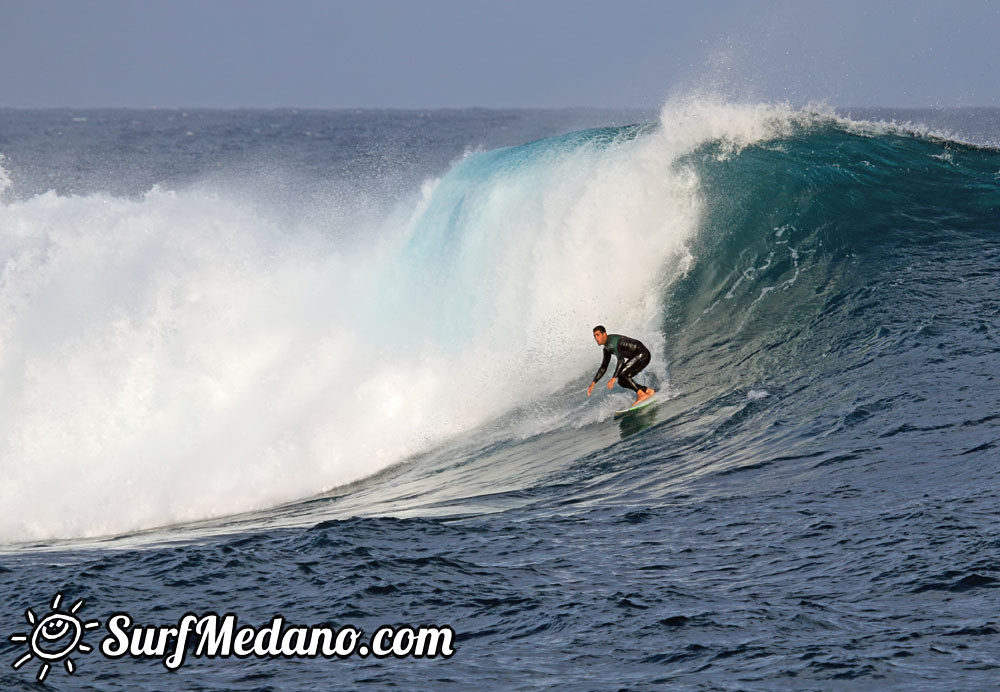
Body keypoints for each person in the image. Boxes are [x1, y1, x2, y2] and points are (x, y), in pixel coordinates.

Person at [586, 325, 655, 406]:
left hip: (642, 354)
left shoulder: (613, 342)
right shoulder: (606, 348)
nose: (596, 338)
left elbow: (621, 360)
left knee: (622, 374)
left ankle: (641, 395)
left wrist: (613, 378)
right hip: (638, 356)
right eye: (594, 336)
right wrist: (593, 383)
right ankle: (647, 391)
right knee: (621, 381)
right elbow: (603, 367)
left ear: (604, 334)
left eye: (598, 335)